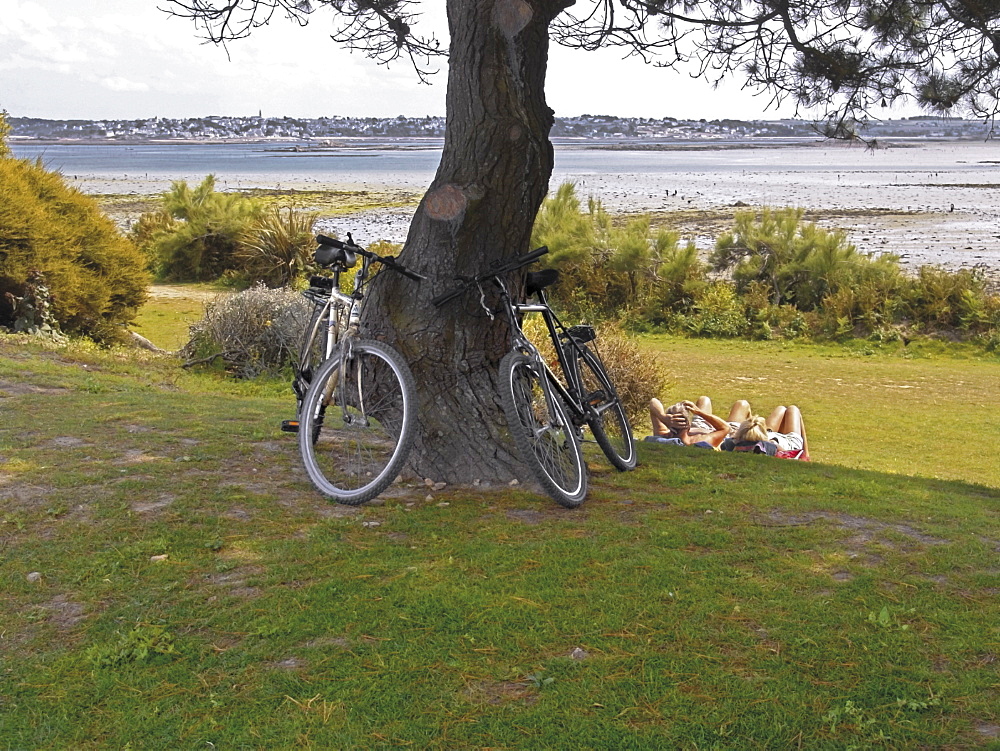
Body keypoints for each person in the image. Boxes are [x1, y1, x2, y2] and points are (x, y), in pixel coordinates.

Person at [647, 397, 749, 450]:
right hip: (724, 432)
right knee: (742, 404)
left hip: (698, 426)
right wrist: (699, 412)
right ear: (688, 424)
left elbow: (653, 401)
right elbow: (725, 428)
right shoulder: (701, 441)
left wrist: (662, 416)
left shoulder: (664, 434)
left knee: (704, 399)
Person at [721, 404, 809, 459]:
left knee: (783, 409)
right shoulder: (770, 446)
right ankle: (807, 455)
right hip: (785, 442)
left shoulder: (731, 443)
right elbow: (786, 453)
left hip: (766, 437)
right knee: (792, 409)